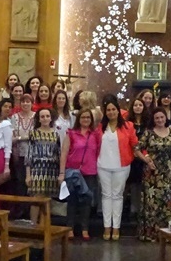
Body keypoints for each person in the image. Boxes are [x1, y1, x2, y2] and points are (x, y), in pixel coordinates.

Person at [96, 98, 139, 240]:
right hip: (103, 165)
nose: (111, 112)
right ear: (105, 112)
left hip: (121, 166)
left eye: (113, 109)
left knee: (117, 196)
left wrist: (145, 156)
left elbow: (135, 145)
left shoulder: (128, 126)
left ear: (118, 110)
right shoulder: (100, 127)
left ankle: (116, 227)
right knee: (106, 195)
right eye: (108, 110)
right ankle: (107, 227)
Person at [134, 107, 171, 241]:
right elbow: (137, 149)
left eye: (161, 117)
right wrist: (146, 160)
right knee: (151, 203)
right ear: (153, 120)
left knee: (167, 201)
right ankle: (150, 233)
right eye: (157, 118)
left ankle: (166, 234)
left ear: (166, 118)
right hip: (152, 172)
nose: (159, 120)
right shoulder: (148, 133)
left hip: (167, 171)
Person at [59, 109, 100, 240]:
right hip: (73, 172)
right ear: (78, 119)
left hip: (90, 172)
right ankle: (70, 228)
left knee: (86, 201)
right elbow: (64, 153)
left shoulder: (95, 134)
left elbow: (98, 152)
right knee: (72, 201)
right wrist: (62, 172)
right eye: (83, 117)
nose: (86, 120)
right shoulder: (71, 133)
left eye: (88, 117)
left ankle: (84, 228)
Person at [26, 108, 60, 221]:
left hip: (52, 170)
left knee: (48, 200)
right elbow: (29, 155)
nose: (45, 118)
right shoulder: (33, 133)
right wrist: (28, 175)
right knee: (36, 199)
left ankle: (44, 227)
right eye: (42, 116)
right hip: (37, 170)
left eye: (47, 116)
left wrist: (61, 173)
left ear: (51, 118)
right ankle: (33, 225)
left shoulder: (56, 134)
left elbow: (59, 154)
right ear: (39, 119)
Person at [126, 98, 150, 217]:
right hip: (131, 157)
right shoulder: (127, 123)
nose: (138, 107)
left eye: (140, 105)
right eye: (135, 105)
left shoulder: (148, 122)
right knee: (132, 184)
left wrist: (145, 154)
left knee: (142, 184)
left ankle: (143, 210)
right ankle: (132, 210)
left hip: (145, 156)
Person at [10, 94, 35, 203]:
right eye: (23, 102)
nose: (25, 104)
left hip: (34, 155)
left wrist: (20, 137)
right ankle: (20, 208)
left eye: (28, 101)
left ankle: (31, 209)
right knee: (20, 182)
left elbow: (37, 136)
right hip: (19, 154)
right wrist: (25, 137)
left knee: (32, 183)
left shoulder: (37, 116)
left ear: (32, 103)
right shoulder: (14, 117)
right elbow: (12, 138)